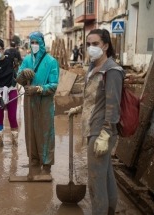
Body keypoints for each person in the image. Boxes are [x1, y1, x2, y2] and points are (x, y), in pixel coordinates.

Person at [68, 29, 124, 215]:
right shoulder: (93, 68)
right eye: (88, 44)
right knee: (106, 176)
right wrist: (78, 109)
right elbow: (93, 99)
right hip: (93, 127)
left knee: (95, 180)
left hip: (101, 131)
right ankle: (109, 211)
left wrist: (105, 134)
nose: (90, 48)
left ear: (106, 46)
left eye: (95, 44)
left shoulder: (112, 71)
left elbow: (112, 106)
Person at [16, 31, 59, 174]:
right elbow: (18, 79)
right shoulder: (27, 60)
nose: (34, 45)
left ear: (42, 43)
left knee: (45, 132)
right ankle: (34, 159)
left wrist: (38, 89)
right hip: (29, 101)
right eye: (32, 42)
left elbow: (53, 85)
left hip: (44, 103)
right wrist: (23, 74)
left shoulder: (51, 62)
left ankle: (46, 164)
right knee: (31, 131)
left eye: (37, 42)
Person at [0, 38, 19, 147]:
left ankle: (15, 142)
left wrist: (18, 79)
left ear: (3, 48)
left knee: (12, 117)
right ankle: (0, 142)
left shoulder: (11, 60)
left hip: (11, 90)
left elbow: (18, 74)